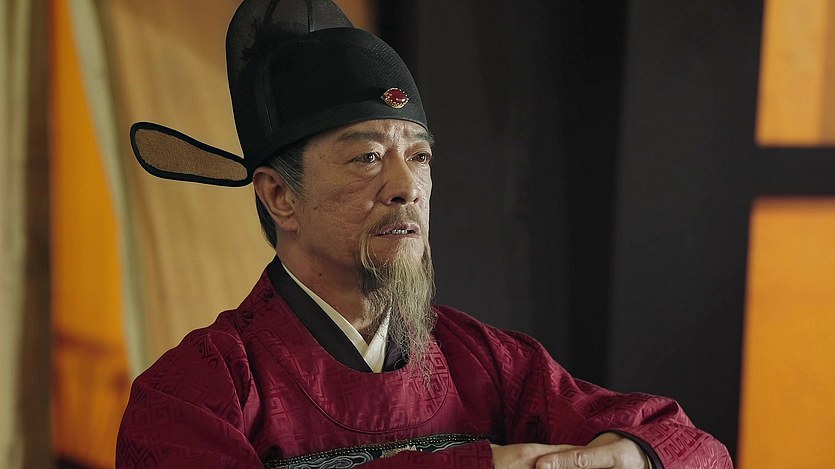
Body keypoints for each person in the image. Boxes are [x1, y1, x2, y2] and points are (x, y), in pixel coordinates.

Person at [117, 1, 733, 468]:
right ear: (280, 196)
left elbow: (694, 449)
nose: (406, 186)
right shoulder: (196, 393)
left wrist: (629, 458)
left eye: (419, 156)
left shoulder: (484, 363)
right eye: (367, 157)